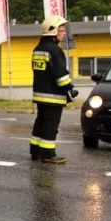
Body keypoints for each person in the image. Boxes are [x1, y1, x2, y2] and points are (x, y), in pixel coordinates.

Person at [30, 15, 78, 164]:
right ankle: (48, 154)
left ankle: (36, 152)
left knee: (40, 123)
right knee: (51, 125)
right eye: (61, 30)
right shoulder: (55, 51)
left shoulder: (38, 49)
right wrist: (70, 88)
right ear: (52, 32)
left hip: (40, 95)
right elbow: (60, 75)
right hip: (53, 96)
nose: (63, 33)